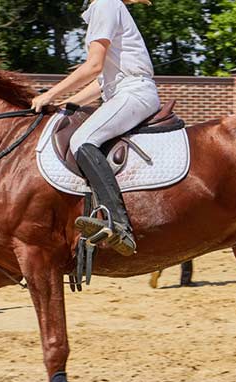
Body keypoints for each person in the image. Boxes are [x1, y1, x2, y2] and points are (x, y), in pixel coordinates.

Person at [31, 0, 160, 256]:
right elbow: (101, 83)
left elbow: (93, 66)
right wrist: (66, 104)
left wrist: (49, 94)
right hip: (122, 91)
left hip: (133, 92)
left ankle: (120, 225)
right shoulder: (103, 8)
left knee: (81, 141)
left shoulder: (105, 4)